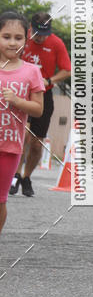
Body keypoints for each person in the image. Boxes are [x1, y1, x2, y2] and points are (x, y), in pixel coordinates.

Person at [10, 12, 71, 197]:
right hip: (20, 92)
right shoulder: (21, 39)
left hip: (44, 94)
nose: (41, 37)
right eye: (37, 33)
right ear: (31, 28)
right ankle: (15, 174)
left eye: (45, 33)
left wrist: (49, 80)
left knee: (36, 143)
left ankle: (26, 176)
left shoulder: (56, 43)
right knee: (21, 137)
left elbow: (67, 70)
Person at [0, 12, 44, 231]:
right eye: (6, 36)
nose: (12, 42)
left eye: (18, 37)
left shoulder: (31, 71)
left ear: (26, 39)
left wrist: (17, 100)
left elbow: (38, 109)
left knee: (0, 201)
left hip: (9, 147)